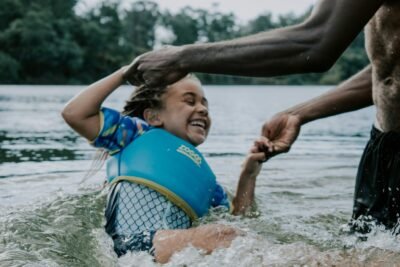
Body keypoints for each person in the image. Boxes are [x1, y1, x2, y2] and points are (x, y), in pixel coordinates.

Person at [122, 0, 400, 230]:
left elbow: (316, 44)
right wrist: (299, 113)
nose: (202, 109)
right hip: (384, 147)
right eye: (188, 100)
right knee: (366, 246)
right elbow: (387, 68)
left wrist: (181, 58)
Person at [61, 66, 269, 263]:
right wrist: (125, 73)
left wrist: (249, 173)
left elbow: (242, 218)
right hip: (130, 247)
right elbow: (75, 114)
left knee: (230, 234)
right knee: (222, 235)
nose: (203, 109)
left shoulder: (208, 182)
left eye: (205, 104)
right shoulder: (132, 135)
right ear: (153, 116)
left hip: (166, 254)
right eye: (190, 101)